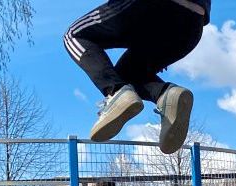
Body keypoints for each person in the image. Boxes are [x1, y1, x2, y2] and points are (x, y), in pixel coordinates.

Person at [64, 0, 210, 154]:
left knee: (74, 35)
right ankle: (165, 94)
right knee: (126, 74)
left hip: (151, 8)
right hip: (193, 24)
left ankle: (115, 92)